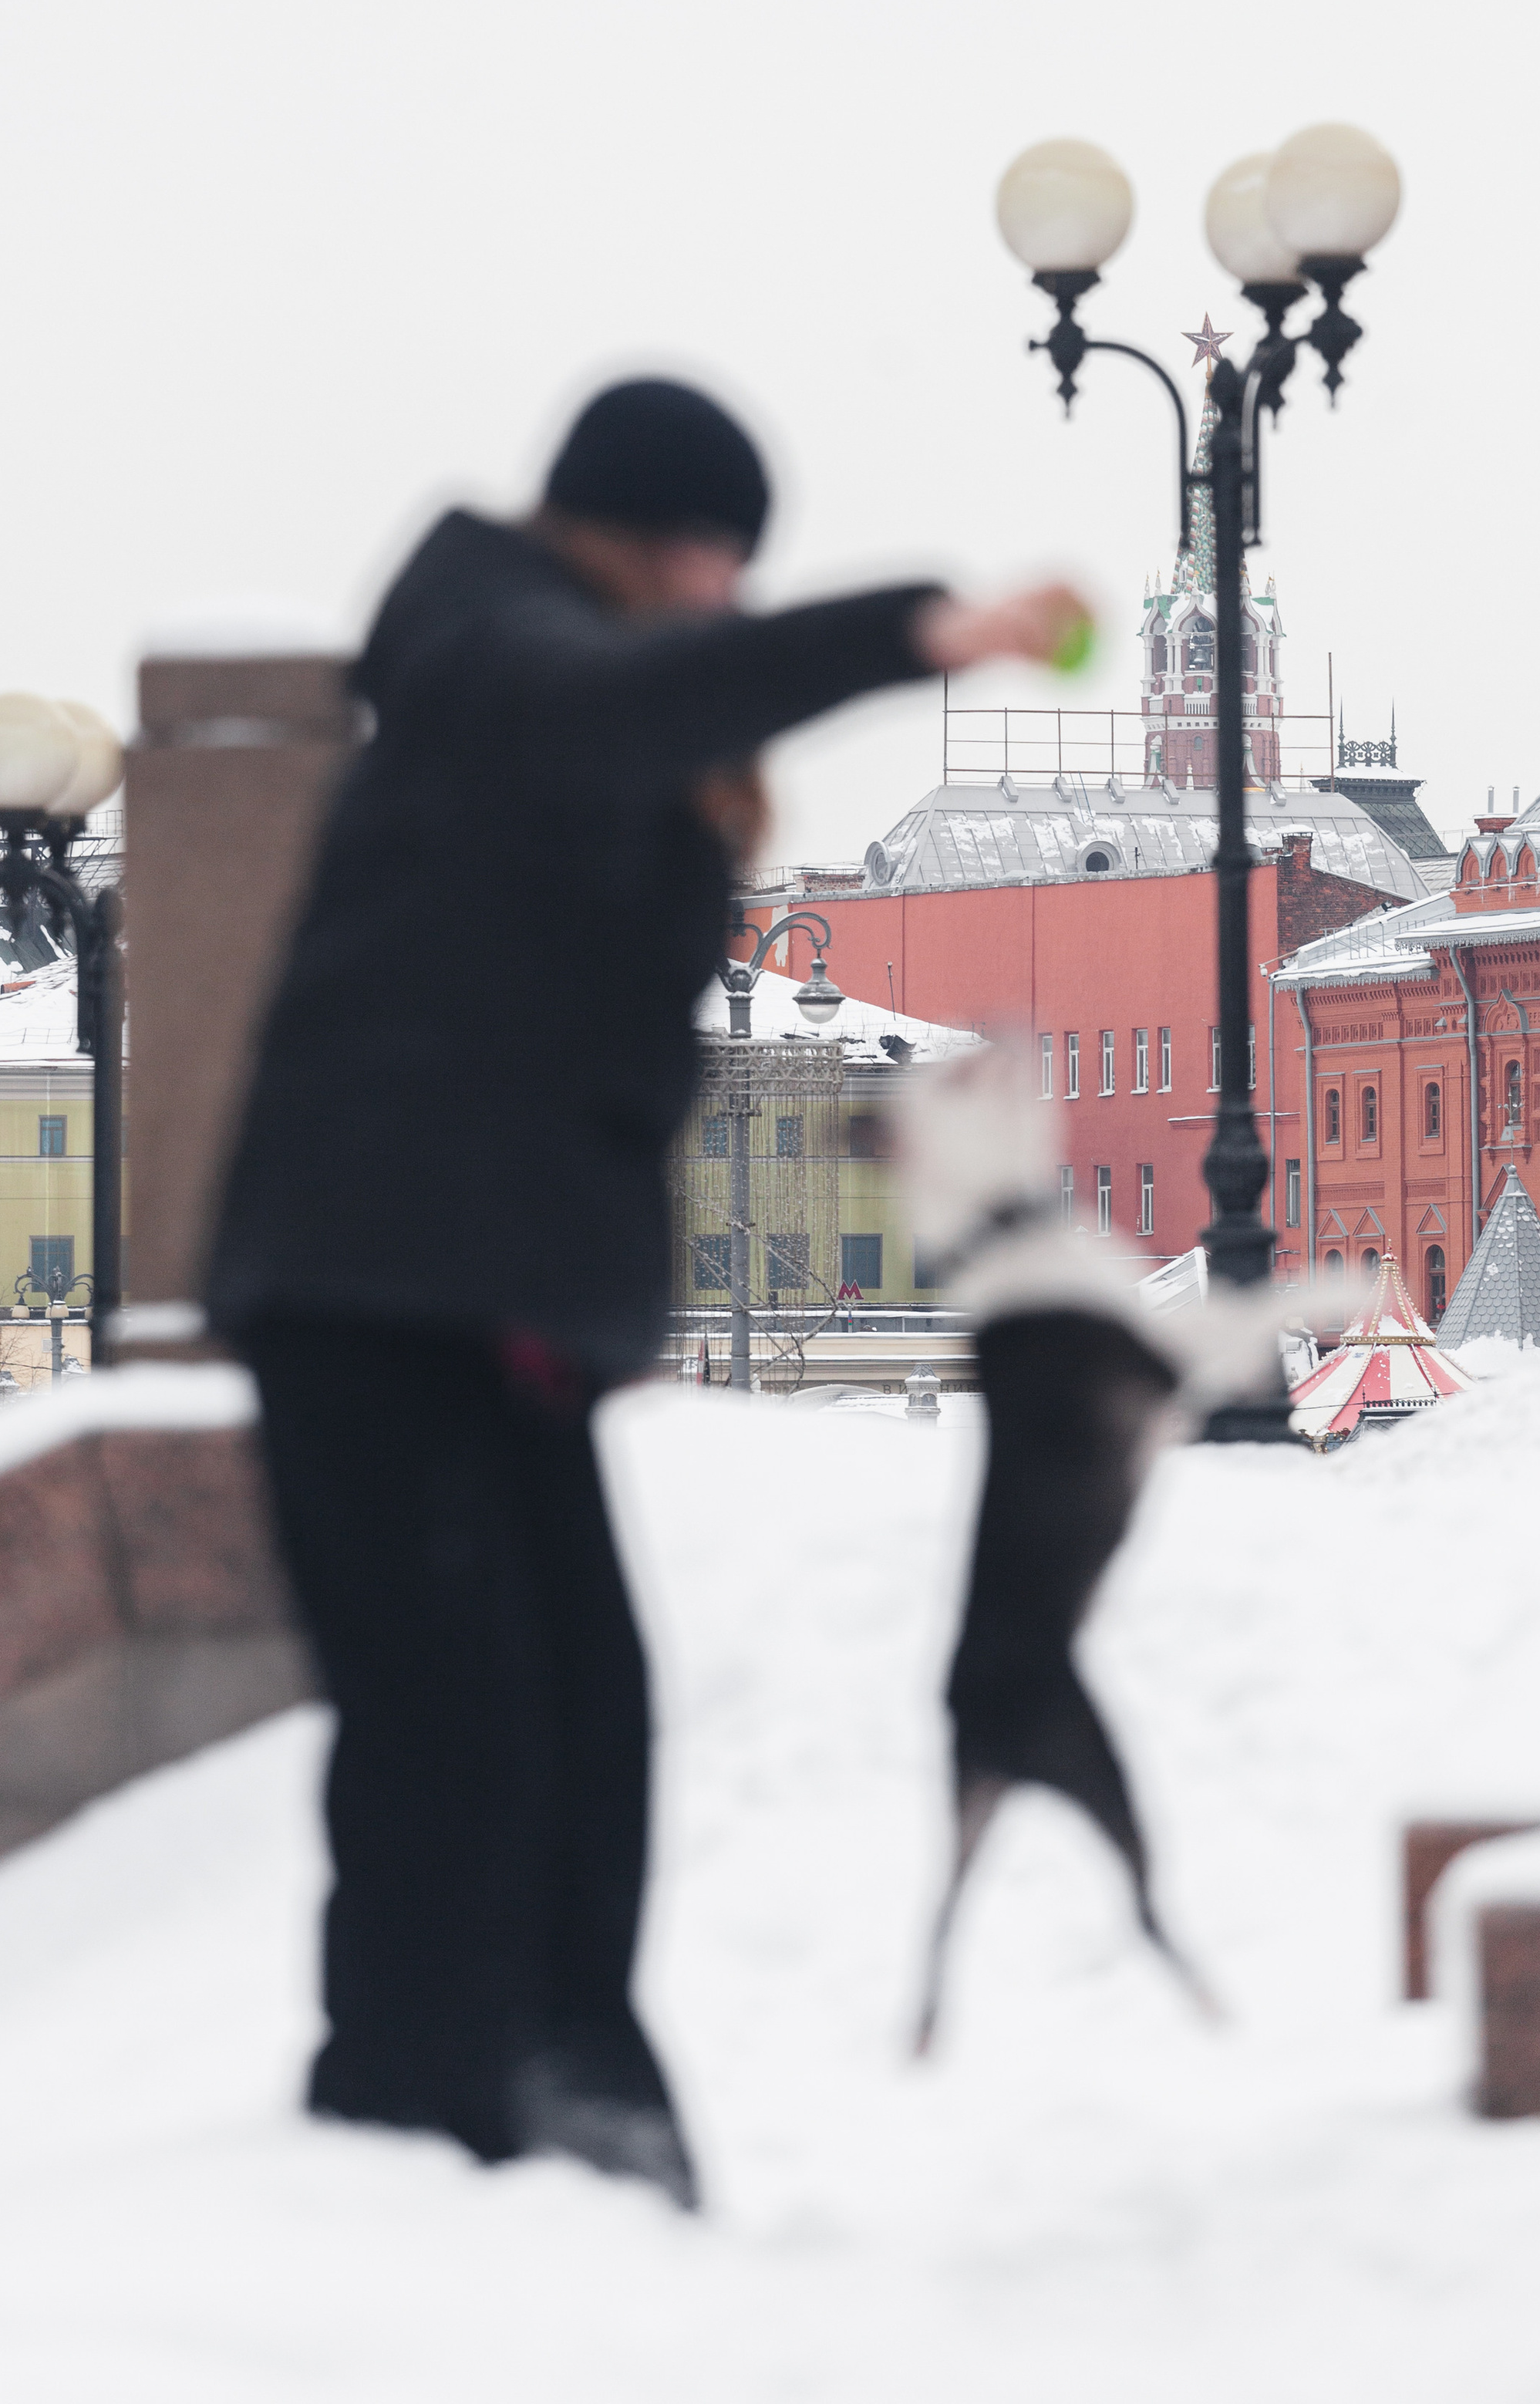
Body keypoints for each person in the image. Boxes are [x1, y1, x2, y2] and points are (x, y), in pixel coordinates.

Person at [208, 376, 1087, 2205]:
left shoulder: (563, 705)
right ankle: (411, 2118)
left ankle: (567, 2094)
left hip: (481, 1299)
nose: (723, 601)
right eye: (712, 562)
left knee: (584, 1711)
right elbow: (604, 712)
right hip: (374, 1295)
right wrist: (911, 633)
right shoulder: (484, 649)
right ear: (637, 540)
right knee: (451, 1722)